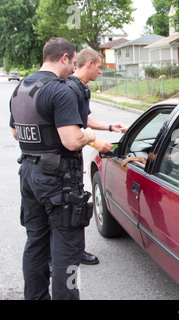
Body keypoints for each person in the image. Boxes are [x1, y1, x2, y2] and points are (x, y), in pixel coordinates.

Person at [9, 37, 95, 300]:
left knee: (35, 244)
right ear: (65, 58)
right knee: (67, 252)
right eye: (73, 60)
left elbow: (16, 133)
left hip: (29, 175)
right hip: (58, 182)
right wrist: (89, 134)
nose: (73, 68)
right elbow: (71, 140)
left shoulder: (22, 87)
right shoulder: (60, 91)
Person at [66, 48, 127, 265]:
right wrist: (95, 143)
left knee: (78, 204)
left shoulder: (82, 89)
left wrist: (111, 126)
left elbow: (85, 119)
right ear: (89, 64)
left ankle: (75, 251)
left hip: (74, 158)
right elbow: (70, 129)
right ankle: (70, 255)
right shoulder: (69, 89)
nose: (101, 71)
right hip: (67, 156)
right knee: (72, 207)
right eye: (100, 67)